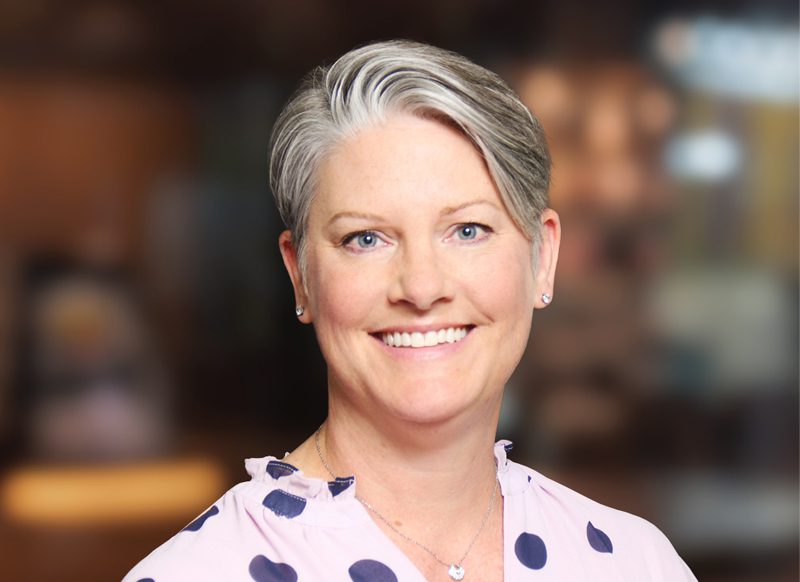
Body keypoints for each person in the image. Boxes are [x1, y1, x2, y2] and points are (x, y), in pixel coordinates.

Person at [123, 40, 697, 582]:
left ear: (541, 257)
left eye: (467, 230)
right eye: (366, 239)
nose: (421, 287)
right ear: (300, 275)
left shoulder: (634, 562)